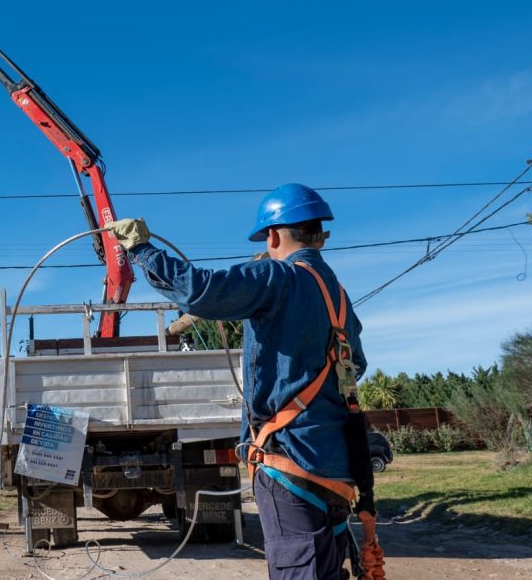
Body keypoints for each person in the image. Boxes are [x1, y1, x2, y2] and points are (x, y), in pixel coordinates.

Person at [106, 183, 369, 580]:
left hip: (290, 459)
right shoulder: (339, 297)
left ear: (274, 235)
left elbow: (199, 291)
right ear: (319, 234)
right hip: (336, 470)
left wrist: (142, 250)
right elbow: (355, 366)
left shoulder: (277, 276)